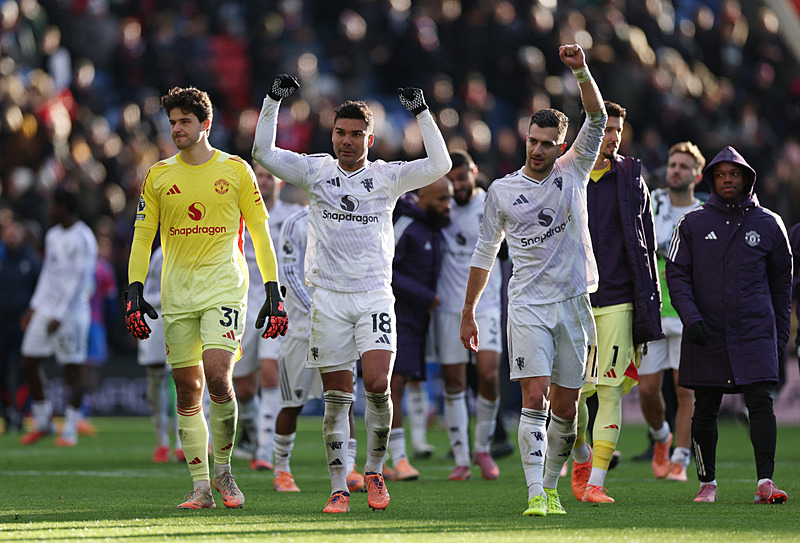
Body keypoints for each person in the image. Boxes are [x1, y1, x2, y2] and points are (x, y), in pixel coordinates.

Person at [253, 75, 451, 513]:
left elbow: (440, 164)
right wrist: (272, 101)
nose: (347, 141)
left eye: (356, 134)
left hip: (375, 295)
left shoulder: (386, 177)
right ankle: (339, 487)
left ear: (370, 139)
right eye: (341, 133)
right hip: (328, 299)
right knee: (337, 401)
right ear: (332, 135)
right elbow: (263, 153)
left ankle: (375, 469)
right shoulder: (316, 171)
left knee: (378, 386)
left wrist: (422, 112)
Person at [125, 86, 288, 510]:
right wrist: (134, 289)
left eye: (185, 122)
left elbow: (260, 233)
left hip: (224, 289)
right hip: (177, 295)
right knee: (187, 389)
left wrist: (273, 290)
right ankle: (201, 487)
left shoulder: (235, 170)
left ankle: (224, 471)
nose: (176, 129)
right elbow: (142, 237)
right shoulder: (159, 175)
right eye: (172, 122)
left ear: (206, 124)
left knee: (217, 375)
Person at [460, 44, 606, 517]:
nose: (538, 150)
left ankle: (553, 485)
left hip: (574, 302)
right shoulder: (502, 191)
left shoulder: (575, 169)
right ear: (525, 140)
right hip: (526, 305)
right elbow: (484, 252)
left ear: (561, 146)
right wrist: (469, 311)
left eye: (547, 143)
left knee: (567, 408)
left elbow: (598, 118)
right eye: (532, 141)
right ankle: (535, 493)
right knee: (533, 396)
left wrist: (581, 71)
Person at [666, 146, 791, 505]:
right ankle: (707, 484)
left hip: (754, 331)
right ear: (711, 179)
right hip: (706, 331)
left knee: (761, 402)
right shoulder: (691, 223)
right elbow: (676, 275)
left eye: (734, 174)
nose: (727, 180)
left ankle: (765, 482)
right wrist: (691, 318)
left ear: (747, 178)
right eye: (720, 175)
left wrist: (780, 335)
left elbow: (782, 286)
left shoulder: (770, 223)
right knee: (705, 407)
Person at [569, 101, 663, 504]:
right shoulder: (564, 173)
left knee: (609, 391)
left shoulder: (631, 178)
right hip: (571, 300)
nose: (613, 137)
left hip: (618, 300)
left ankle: (597, 483)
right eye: (606, 129)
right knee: (571, 397)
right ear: (588, 130)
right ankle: (580, 454)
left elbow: (647, 245)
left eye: (618, 130)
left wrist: (647, 309)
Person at [271, 206, 362, 493]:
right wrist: (318, 309)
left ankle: (350, 468)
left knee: (344, 400)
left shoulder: (348, 217)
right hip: (301, 328)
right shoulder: (295, 222)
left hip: (340, 325)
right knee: (292, 403)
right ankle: (282, 469)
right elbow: (288, 273)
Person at [434, 149, 504, 481]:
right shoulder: (440, 207)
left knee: (488, 375)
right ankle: (461, 458)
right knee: (454, 382)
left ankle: (483, 448)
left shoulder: (491, 203)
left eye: (461, 178)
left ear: (474, 172)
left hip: (486, 306)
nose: (457, 186)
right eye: (451, 181)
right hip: (449, 307)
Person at [638, 142, 705, 482]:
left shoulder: (704, 213)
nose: (675, 170)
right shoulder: (651, 202)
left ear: (697, 175)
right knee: (647, 390)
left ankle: (680, 458)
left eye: (683, 166)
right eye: (672, 164)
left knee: (684, 389)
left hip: (685, 311)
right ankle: (661, 436)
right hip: (652, 309)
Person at [232, 161, 303, 471]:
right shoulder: (237, 213)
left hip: (278, 303)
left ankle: (264, 449)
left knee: (272, 372)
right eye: (258, 176)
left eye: (269, 176)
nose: (263, 181)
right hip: (244, 303)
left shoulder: (294, 216)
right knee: (243, 387)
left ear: (280, 182)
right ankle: (252, 434)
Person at [19, 186, 98, 447]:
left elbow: (80, 280)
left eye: (53, 205)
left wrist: (61, 314)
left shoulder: (83, 238)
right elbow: (48, 274)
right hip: (46, 308)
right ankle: (43, 421)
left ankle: (71, 429)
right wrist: (34, 307)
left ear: (64, 208)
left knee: (71, 370)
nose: (49, 210)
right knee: (28, 361)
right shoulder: (52, 235)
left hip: (72, 313)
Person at [388, 177, 452, 480]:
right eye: (441, 199)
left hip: (418, 318)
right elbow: (386, 268)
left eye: (448, 198)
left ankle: (391, 456)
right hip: (397, 314)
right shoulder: (407, 225)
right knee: (393, 385)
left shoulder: (432, 226)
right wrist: (426, 296)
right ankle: (398, 458)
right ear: (422, 198)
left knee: (406, 382)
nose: (447, 205)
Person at [137, 245, 183, 463]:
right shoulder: (157, 253)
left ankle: (183, 442)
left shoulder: (191, 246)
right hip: (154, 316)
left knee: (182, 376)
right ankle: (162, 439)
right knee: (155, 378)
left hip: (180, 316)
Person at [0, 215, 41, 433]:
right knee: (2, 370)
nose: (11, 237)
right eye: (8, 233)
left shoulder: (31, 260)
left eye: (14, 233)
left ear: (22, 236)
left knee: (26, 367)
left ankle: (24, 412)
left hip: (24, 323)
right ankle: (8, 412)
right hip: (2, 322)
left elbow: (40, 289)